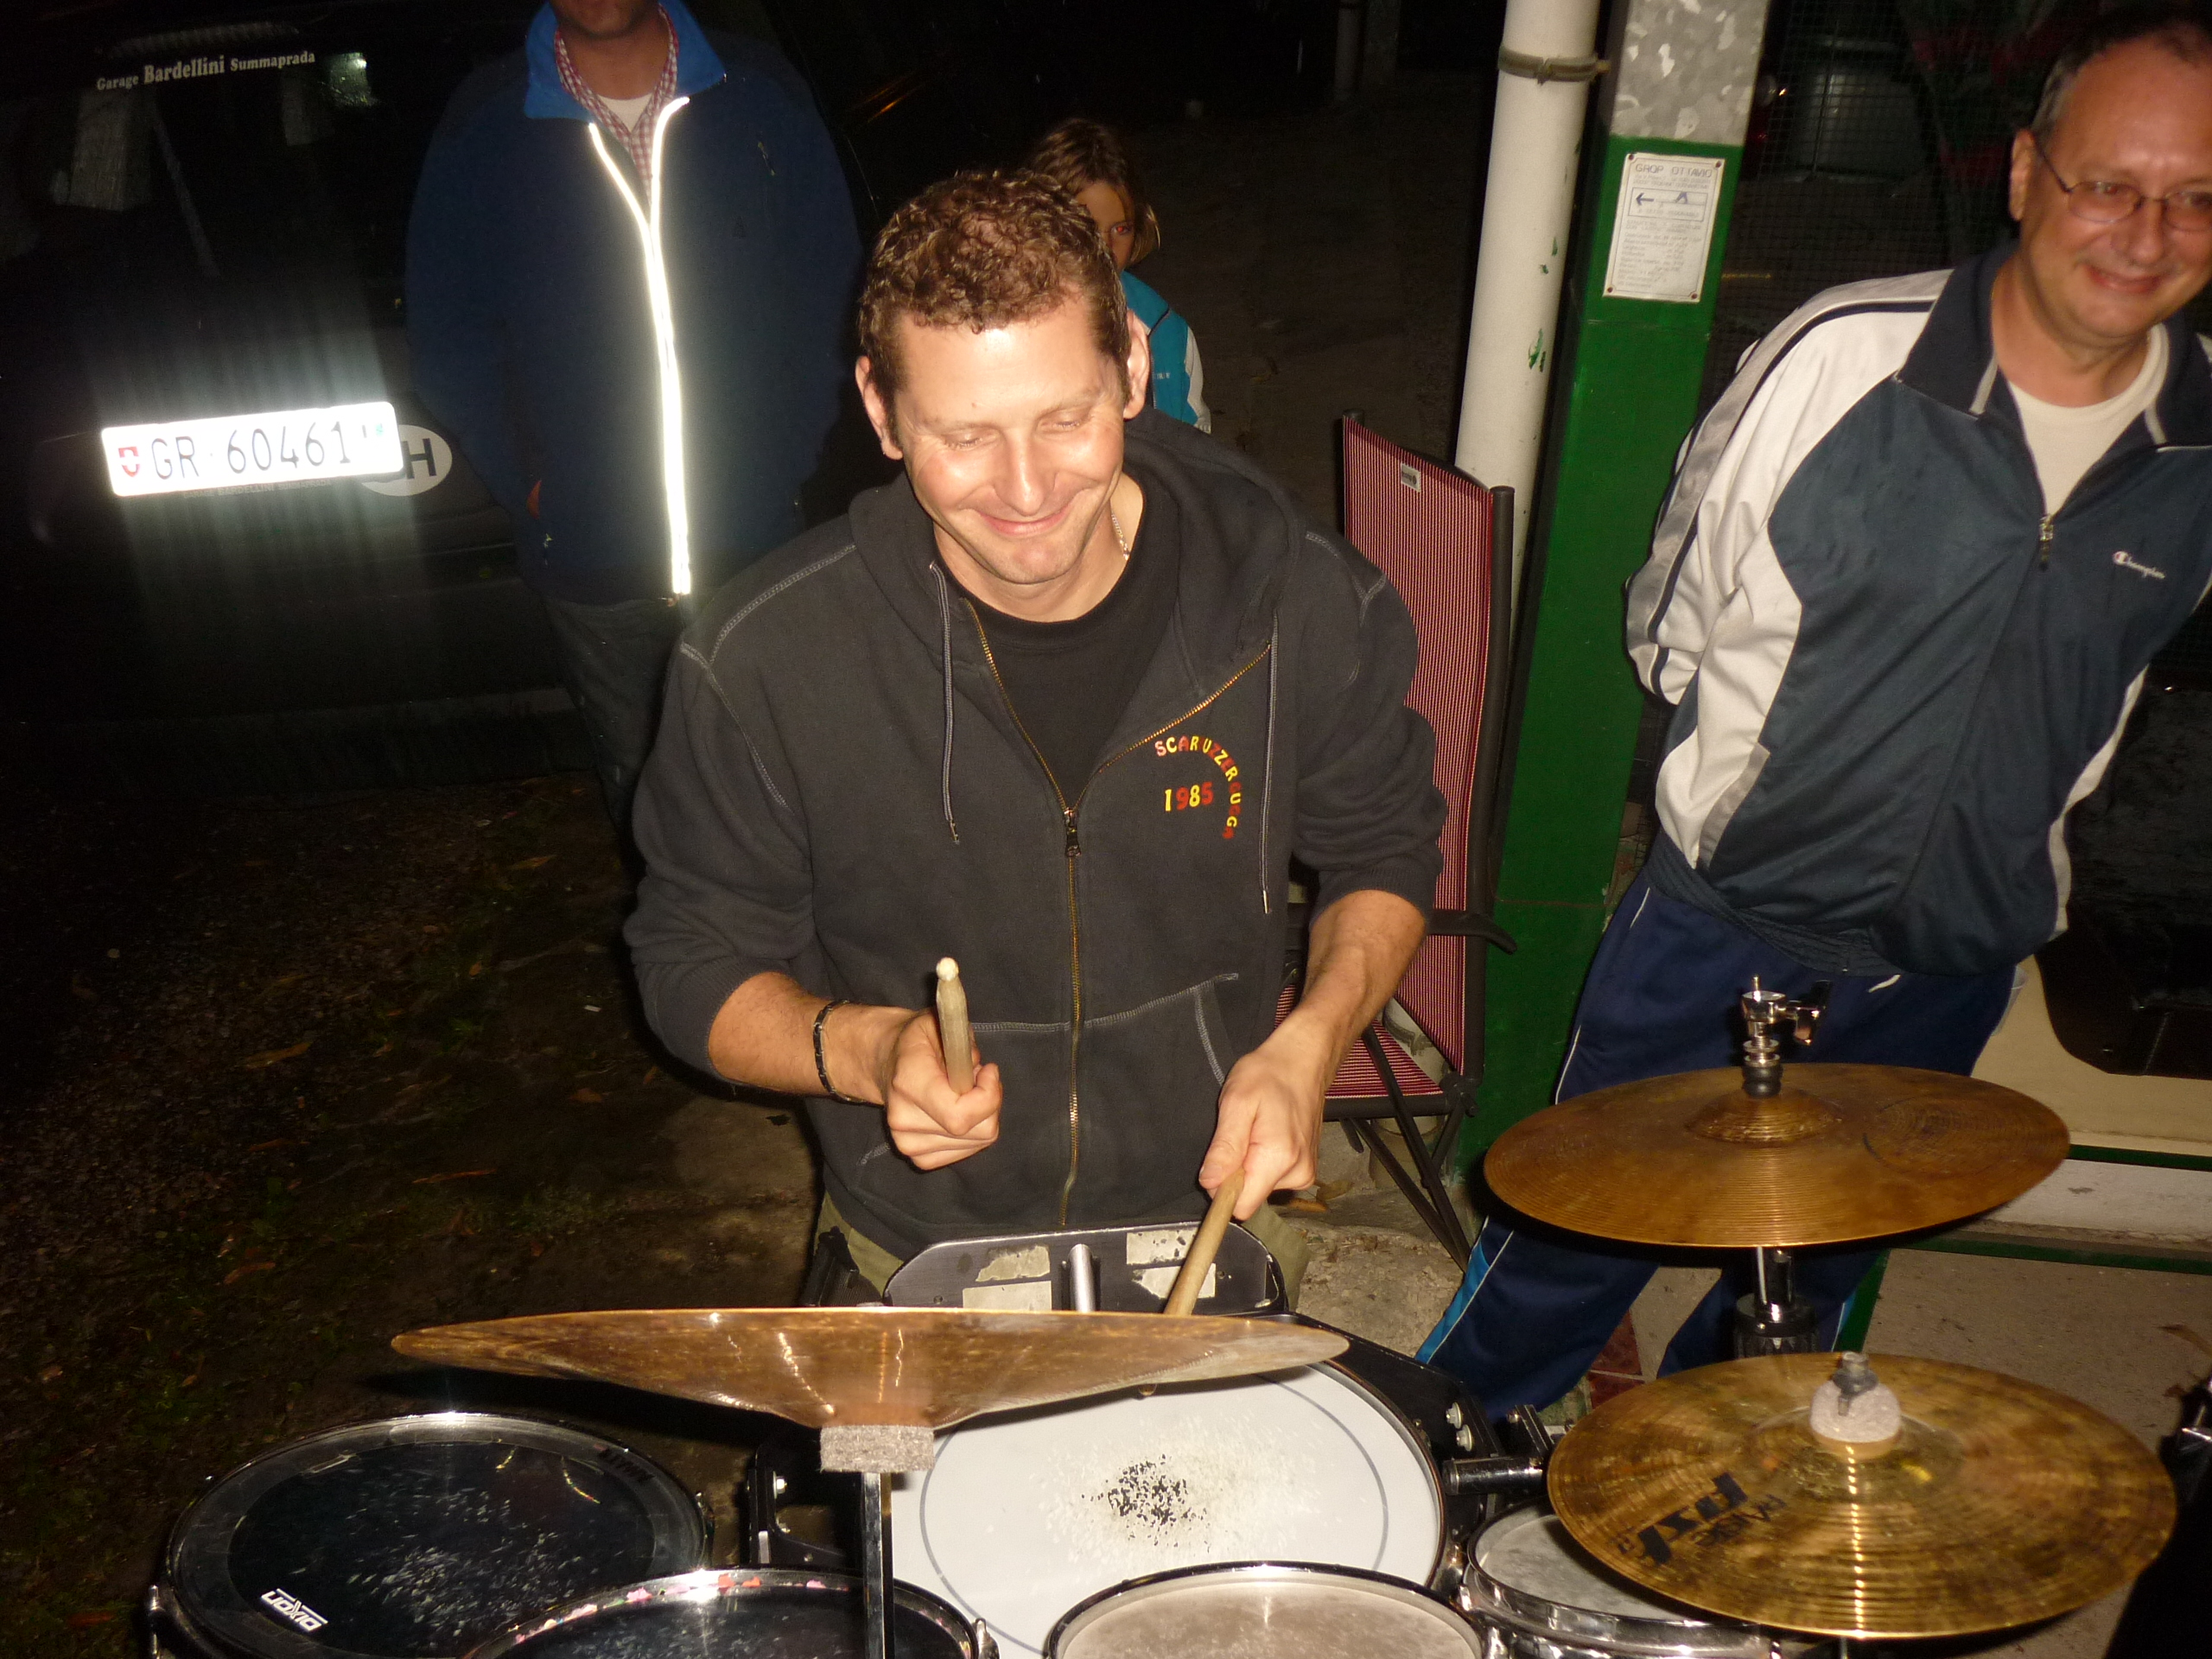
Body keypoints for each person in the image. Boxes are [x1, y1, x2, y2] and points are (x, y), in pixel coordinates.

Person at [1424, 3, 2212, 1416]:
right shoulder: (1849, 357)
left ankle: (1713, 1467)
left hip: (1955, 963)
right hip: (1721, 926)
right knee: (1573, 1239)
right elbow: (1676, 605)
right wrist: (1752, 798)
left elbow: (2119, 689)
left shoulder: (2201, 442)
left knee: (1810, 1279)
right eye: (2108, 183)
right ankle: (1443, 1448)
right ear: (2027, 174)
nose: (2147, 234)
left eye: (2197, 197)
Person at [624, 170, 1444, 1295]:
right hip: (919, 1238)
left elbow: (1384, 846)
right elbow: (688, 961)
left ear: (1134, 370)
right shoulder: (764, 658)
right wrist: (870, 1052)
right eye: (964, 435)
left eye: (1065, 418)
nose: (1024, 491)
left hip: (1205, 1209)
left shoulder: (1294, 595)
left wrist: (1312, 1040)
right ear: (880, 411)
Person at [406, 0, 859, 845]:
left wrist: (788, 456)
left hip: (760, 543)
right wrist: (536, 485)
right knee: (655, 819)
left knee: (798, 796)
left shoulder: (757, 91)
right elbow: (448, 336)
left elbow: (831, 293)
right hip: (593, 560)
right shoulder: (487, 123)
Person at [1027, 118, 1212, 431]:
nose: (1105, 249)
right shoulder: (1003, 328)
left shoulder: (1163, 331)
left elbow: (1194, 443)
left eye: (1121, 229)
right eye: (1085, 228)